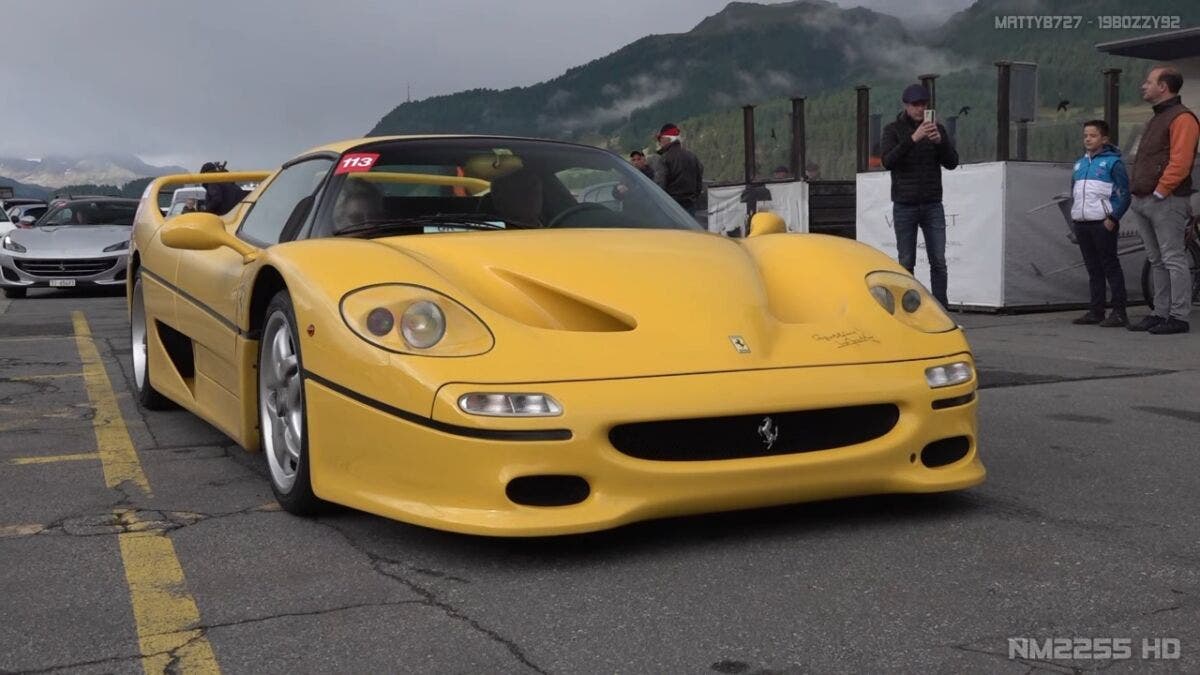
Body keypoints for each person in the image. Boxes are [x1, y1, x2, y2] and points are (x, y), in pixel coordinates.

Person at [1126, 65, 1199, 335]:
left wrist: (1160, 191)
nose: (1143, 86)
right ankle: (1160, 312)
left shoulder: (1182, 118)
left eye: (1148, 82)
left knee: (1172, 257)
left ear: (1163, 87)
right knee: (1157, 259)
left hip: (1166, 200)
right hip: (1145, 198)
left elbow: (1180, 162)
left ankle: (1178, 317)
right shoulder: (1157, 118)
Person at [879, 83, 959, 306]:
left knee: (939, 261)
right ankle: (909, 309)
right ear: (906, 105)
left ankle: (942, 308)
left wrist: (939, 142)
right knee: (906, 261)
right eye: (915, 104)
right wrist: (914, 138)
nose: (920, 108)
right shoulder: (892, 130)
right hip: (905, 204)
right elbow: (888, 161)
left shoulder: (938, 129)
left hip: (933, 203)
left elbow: (952, 162)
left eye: (923, 104)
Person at [1069, 119, 1130, 327]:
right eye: (1085, 135)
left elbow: (1124, 194)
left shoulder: (1114, 162)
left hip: (1103, 223)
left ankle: (1119, 312)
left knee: (1110, 265)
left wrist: (1113, 218)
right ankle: (1096, 310)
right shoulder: (1079, 163)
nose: (1088, 139)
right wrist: (1075, 216)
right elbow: (1074, 192)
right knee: (1093, 268)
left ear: (1104, 139)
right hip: (1082, 223)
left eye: (1093, 135)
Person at [653, 123, 704, 213]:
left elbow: (659, 185)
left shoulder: (664, 158)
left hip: (671, 207)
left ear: (667, 139)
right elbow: (699, 181)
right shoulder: (692, 156)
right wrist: (693, 198)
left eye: (660, 139)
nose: (659, 142)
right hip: (690, 205)